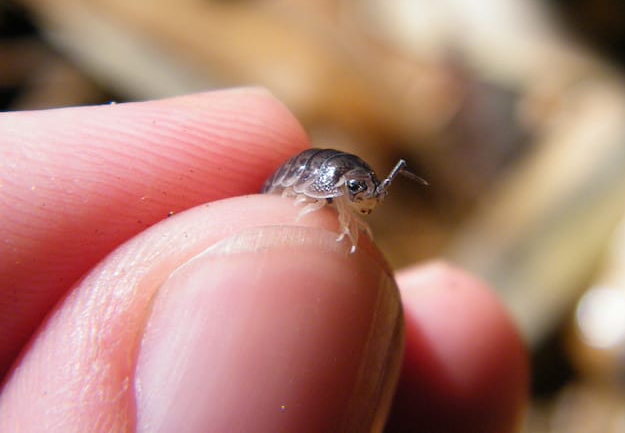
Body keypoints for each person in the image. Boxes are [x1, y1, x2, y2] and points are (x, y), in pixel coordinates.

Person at [0, 88, 528, 431]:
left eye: (369, 189)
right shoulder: (319, 185)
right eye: (360, 189)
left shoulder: (343, 188)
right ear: (331, 184)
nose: (368, 197)